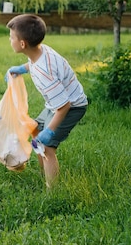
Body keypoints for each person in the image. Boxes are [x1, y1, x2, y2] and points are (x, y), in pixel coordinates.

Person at [6, 14, 88, 188]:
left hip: (73, 106)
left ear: (22, 44)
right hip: (57, 104)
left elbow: (64, 106)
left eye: (11, 37)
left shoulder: (45, 74)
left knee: (47, 146)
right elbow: (33, 64)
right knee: (35, 130)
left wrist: (50, 131)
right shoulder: (39, 51)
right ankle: (44, 172)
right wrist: (22, 69)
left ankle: (53, 191)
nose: (9, 40)